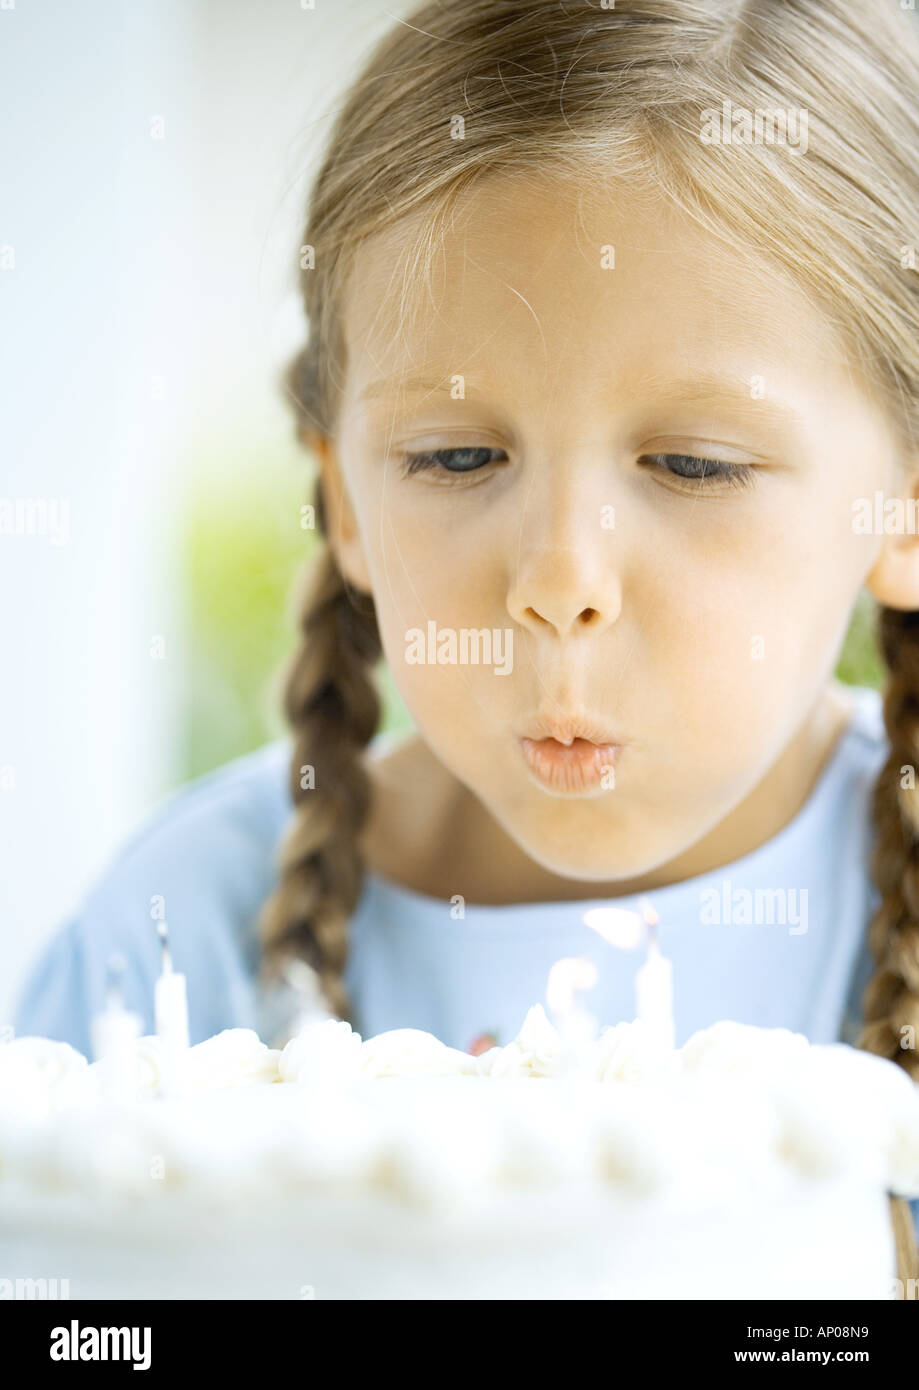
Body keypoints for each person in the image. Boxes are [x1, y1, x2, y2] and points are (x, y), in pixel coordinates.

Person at [13, 0, 919, 1278]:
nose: (559, 582)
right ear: (343, 502)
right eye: (454, 456)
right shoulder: (174, 941)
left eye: (693, 464)